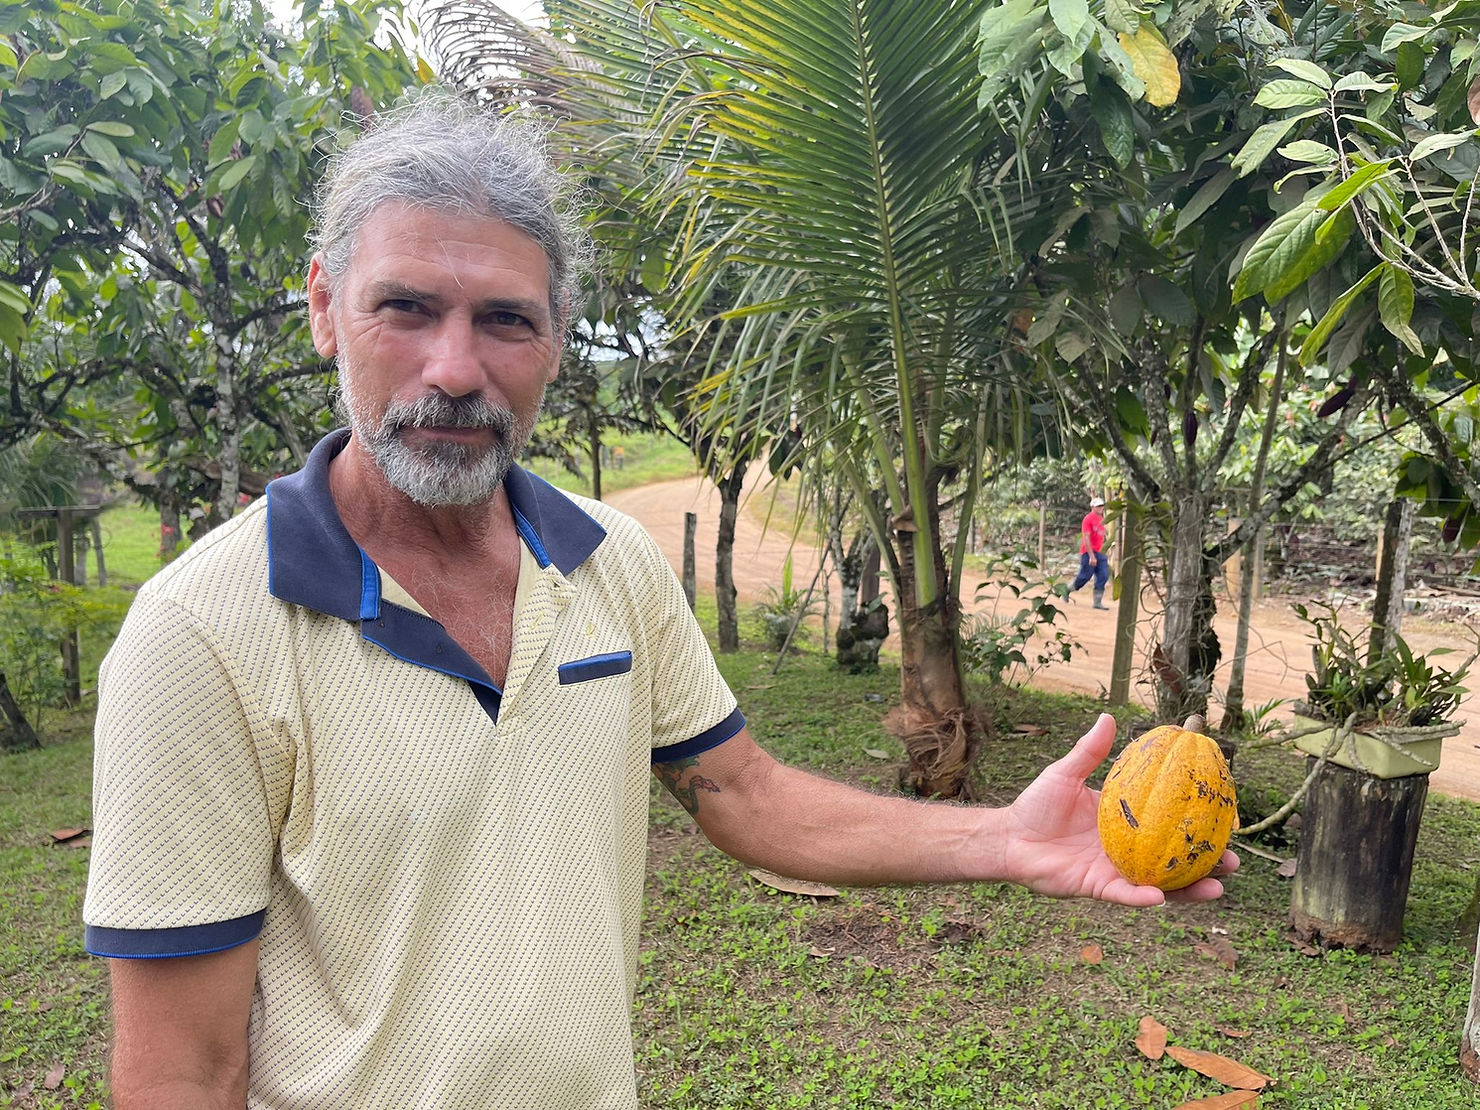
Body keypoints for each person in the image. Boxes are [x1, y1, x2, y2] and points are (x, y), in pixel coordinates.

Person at [82, 92, 1234, 1110]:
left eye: (504, 320)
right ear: (327, 309)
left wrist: (1005, 841)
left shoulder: (610, 564)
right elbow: (181, 1073)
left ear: (555, 341)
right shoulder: (204, 634)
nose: (453, 367)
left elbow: (742, 791)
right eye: (406, 308)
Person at [1072, 495, 1111, 609]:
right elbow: (1086, 538)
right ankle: (1067, 590)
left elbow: (1102, 537)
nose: (1100, 508)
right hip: (1088, 552)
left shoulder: (1102, 519)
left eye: (1101, 506)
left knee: (1103, 575)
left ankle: (1097, 602)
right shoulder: (1088, 519)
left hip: (1100, 552)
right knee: (1084, 577)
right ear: (1092, 507)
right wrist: (1091, 556)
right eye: (1098, 506)